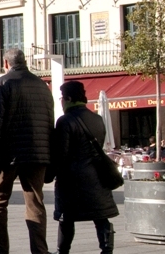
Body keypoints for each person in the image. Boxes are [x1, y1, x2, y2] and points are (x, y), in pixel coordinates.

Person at [0, 48, 56, 254]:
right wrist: (49, 159)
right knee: (35, 203)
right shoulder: (42, 86)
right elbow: (50, 125)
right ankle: (40, 251)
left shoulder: (3, 83)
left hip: (8, 155)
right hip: (38, 155)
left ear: (6, 63)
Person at [50, 81, 118, 254]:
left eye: (62, 98)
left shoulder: (65, 121)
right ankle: (107, 249)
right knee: (100, 215)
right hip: (97, 176)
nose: (61, 101)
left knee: (67, 218)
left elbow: (61, 154)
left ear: (69, 98)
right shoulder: (98, 119)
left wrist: (50, 174)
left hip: (72, 179)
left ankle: (63, 251)